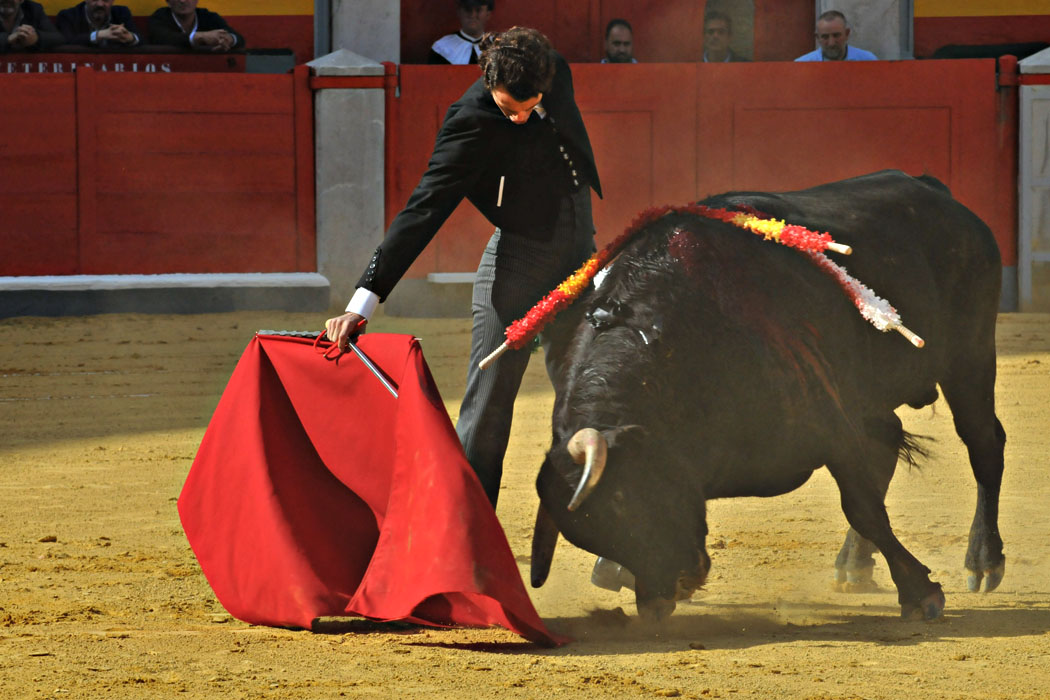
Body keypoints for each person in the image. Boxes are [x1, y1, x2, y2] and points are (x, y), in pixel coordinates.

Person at [325, 27, 602, 509]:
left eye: (527, 106)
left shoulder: (553, 69)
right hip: (518, 262)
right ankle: (465, 537)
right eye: (506, 109)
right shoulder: (471, 120)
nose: (517, 118)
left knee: (599, 384)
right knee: (490, 403)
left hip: (579, 249)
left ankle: (618, 532)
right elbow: (424, 209)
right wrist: (363, 300)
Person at [147, 0, 243, 52]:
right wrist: (198, 37)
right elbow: (162, 38)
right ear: (168, 1)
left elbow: (239, 38)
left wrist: (228, 39)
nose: (182, 1)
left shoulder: (207, 16)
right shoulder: (160, 17)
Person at [795, 10, 876, 62]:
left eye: (836, 35)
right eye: (825, 37)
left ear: (847, 34)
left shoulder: (867, 60)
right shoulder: (802, 65)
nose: (831, 43)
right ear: (817, 37)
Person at [427, 0, 492, 65]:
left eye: (478, 10)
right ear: (459, 12)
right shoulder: (442, 48)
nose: (472, 15)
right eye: (468, 9)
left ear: (488, 14)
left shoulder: (498, 48)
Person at [56, 0, 141, 48]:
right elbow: (67, 40)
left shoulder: (122, 13)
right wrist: (98, 35)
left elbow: (142, 39)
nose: (100, 4)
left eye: (106, 0)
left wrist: (130, 38)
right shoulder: (68, 16)